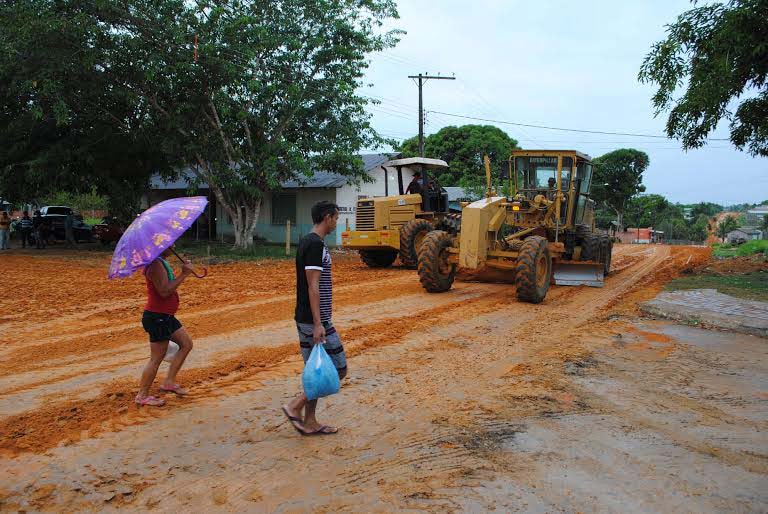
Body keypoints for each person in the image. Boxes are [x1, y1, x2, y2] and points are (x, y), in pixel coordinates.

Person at [282, 201, 346, 435]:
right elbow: (313, 286)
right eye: (336, 218)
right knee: (339, 368)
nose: (336, 223)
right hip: (314, 321)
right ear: (327, 217)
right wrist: (319, 323)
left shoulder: (313, 242)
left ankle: (310, 421)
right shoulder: (313, 244)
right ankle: (294, 406)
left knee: (317, 370)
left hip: (313, 319)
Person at [136, 246, 196, 407]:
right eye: (171, 243)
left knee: (186, 344)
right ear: (160, 245)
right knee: (156, 358)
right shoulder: (155, 264)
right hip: (157, 318)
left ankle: (169, 382)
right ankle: (142, 395)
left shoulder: (160, 262)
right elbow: (164, 291)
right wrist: (184, 274)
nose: (174, 246)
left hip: (166, 316)